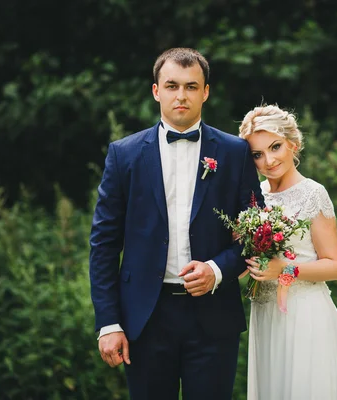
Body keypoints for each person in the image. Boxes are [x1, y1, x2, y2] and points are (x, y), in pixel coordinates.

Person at [89, 48, 263, 400]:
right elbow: (104, 244)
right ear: (156, 91)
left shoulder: (235, 153)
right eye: (171, 85)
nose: (181, 95)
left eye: (191, 86)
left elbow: (256, 233)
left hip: (213, 317)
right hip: (145, 318)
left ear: (205, 92)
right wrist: (108, 322)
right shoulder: (124, 155)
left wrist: (217, 270)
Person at [238, 104, 337, 399]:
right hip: (266, 314)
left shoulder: (313, 193)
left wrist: (284, 269)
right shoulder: (256, 197)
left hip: (305, 315)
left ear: (292, 144)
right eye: (257, 154)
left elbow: (336, 266)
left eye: (275, 147)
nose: (268, 160)